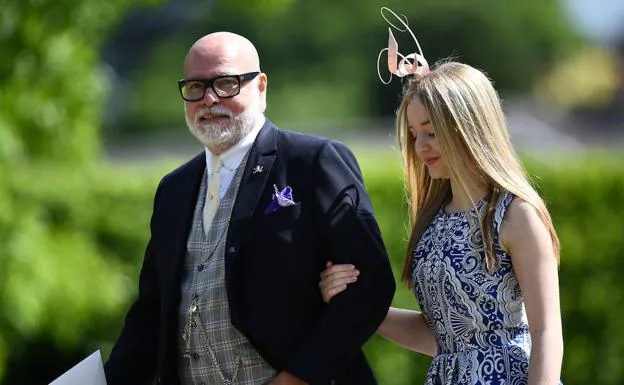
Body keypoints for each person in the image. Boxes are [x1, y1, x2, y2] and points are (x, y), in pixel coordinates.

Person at [103, 31, 396, 385]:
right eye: (196, 87)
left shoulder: (312, 161)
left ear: (260, 87)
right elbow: (151, 316)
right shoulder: (173, 189)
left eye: (226, 83)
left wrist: (295, 379)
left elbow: (370, 286)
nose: (209, 98)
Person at [318, 8, 564, 385]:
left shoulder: (517, 215)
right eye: (415, 134)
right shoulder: (434, 218)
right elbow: (440, 337)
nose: (420, 147)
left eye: (431, 132)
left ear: (468, 128)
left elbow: (547, 333)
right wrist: (355, 302)